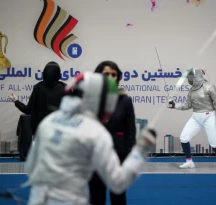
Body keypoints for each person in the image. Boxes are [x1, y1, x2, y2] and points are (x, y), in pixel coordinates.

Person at [24, 72, 157, 205]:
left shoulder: (49, 121)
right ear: (100, 99)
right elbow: (118, 183)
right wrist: (141, 149)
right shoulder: (95, 132)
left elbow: (30, 167)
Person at [89, 61, 136, 205]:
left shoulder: (125, 100)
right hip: (95, 155)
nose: (110, 77)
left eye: (113, 74)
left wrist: (128, 157)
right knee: (96, 196)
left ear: (118, 77)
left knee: (118, 196)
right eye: (106, 74)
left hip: (118, 156)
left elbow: (130, 131)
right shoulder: (89, 99)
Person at [168, 68, 216, 169]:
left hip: (209, 116)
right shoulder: (191, 90)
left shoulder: (210, 87)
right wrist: (174, 105)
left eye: (191, 77)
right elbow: (187, 105)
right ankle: (189, 162)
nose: (189, 79)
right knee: (184, 137)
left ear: (197, 76)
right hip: (196, 117)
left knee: (214, 141)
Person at [10, 62, 66, 135]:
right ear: (59, 75)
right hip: (59, 133)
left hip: (40, 133)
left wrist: (16, 101)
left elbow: (27, 110)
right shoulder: (65, 88)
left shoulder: (38, 87)